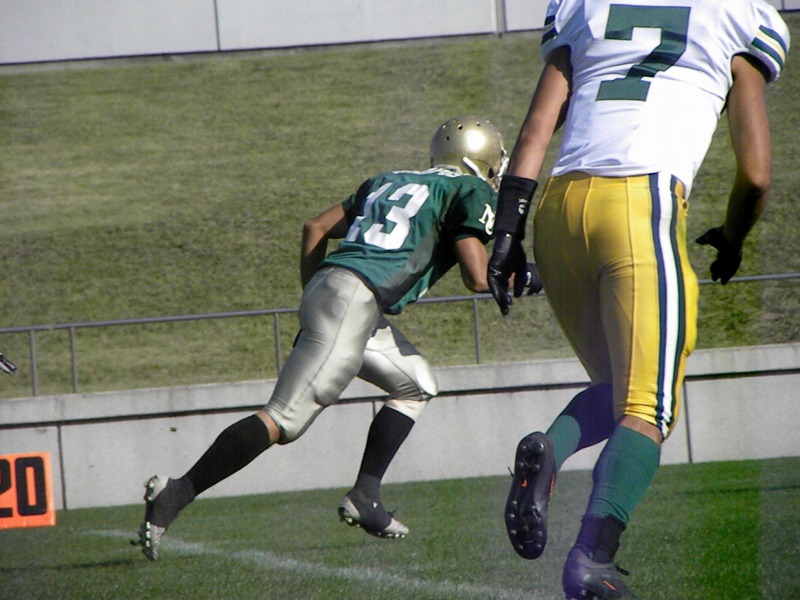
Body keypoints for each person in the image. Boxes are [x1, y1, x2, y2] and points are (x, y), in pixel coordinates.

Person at [486, 1, 789, 598]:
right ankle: (593, 558)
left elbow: (535, 129)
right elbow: (756, 176)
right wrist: (732, 238)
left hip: (558, 210)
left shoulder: (585, 5)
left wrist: (507, 235)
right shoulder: (741, 14)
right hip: (640, 203)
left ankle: (549, 451)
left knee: (618, 392)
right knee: (647, 410)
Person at [137, 115, 541, 560]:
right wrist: (537, 279)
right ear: (483, 160)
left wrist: (313, 298)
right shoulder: (471, 190)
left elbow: (314, 227)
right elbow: (477, 277)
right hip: (354, 300)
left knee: (416, 384)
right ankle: (176, 493)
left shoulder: (389, 179)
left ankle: (366, 495)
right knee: (283, 420)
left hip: (339, 294)